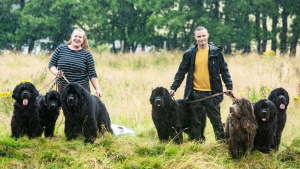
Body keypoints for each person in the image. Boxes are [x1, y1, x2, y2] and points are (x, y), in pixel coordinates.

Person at [169, 26, 233, 142]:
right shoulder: (189, 54)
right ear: (195, 38)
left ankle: (221, 144)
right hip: (195, 94)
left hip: (212, 93)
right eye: (199, 36)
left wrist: (229, 87)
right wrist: (174, 88)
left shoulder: (216, 52)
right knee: (195, 121)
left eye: (203, 35)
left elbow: (224, 70)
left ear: (207, 35)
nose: (202, 38)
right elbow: (181, 71)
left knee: (216, 121)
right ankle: (197, 143)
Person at [48, 28, 102, 97]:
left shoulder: (87, 55)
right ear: (71, 37)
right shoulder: (60, 49)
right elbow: (51, 64)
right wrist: (56, 72)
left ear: (83, 40)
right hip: (64, 89)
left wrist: (97, 89)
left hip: (81, 91)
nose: (77, 38)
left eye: (80, 37)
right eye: (75, 36)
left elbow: (92, 74)